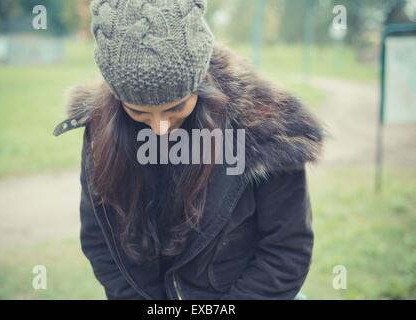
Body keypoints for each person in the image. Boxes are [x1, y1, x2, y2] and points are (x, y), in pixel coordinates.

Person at [53, 0, 325, 300]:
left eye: (176, 107)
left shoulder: (266, 128)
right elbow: (101, 243)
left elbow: (285, 250)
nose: (160, 127)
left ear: (200, 85)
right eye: (138, 112)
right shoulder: (102, 127)